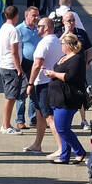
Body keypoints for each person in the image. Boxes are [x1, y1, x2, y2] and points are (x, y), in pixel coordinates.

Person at [43, 32, 87, 165]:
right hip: (57, 97)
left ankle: (79, 151)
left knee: (62, 128)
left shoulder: (77, 58)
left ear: (67, 45)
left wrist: (54, 73)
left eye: (62, 43)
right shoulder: (65, 56)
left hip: (68, 98)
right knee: (61, 126)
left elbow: (69, 77)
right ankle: (64, 155)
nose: (60, 45)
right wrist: (51, 73)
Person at [22, 16, 61, 155]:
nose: (37, 28)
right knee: (39, 114)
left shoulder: (44, 43)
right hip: (51, 82)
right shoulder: (57, 40)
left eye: (39, 26)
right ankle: (37, 144)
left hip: (43, 84)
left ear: (46, 28)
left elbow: (37, 64)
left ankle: (61, 148)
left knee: (49, 117)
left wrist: (30, 83)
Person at [0, 5, 24, 136]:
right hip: (11, 67)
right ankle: (6, 125)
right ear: (16, 16)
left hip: (4, 65)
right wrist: (19, 69)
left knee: (10, 96)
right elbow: (14, 52)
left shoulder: (3, 28)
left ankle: (6, 124)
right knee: (10, 97)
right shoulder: (13, 30)